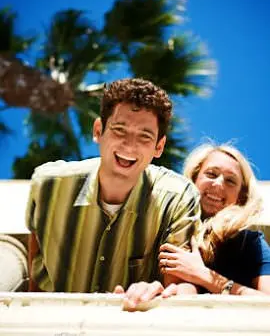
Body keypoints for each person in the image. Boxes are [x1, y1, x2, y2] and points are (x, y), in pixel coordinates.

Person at [25, 78, 201, 299]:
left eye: (144, 136)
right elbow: (36, 272)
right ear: (98, 130)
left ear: (159, 146)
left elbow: (179, 285)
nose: (129, 145)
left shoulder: (178, 198)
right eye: (120, 130)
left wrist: (165, 293)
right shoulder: (47, 186)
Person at [159, 143, 270, 296]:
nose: (218, 184)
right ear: (193, 179)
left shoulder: (251, 243)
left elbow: (267, 301)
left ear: (241, 196)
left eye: (230, 181)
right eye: (211, 174)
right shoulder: (167, 224)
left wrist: (204, 276)